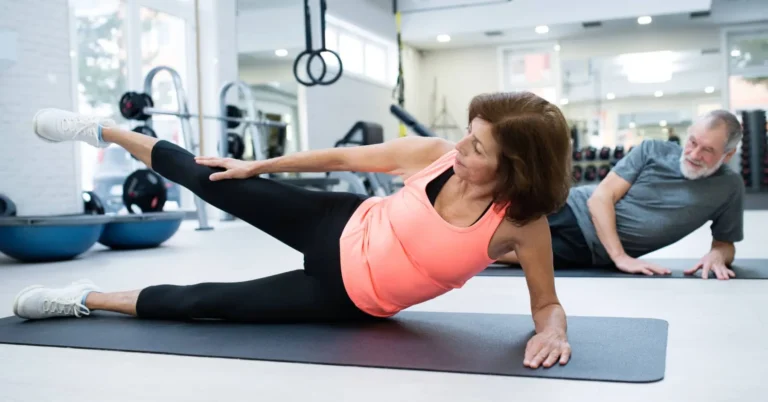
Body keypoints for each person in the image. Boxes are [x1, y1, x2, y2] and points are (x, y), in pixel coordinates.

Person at [13, 92, 574, 369]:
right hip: (334, 222)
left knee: (209, 304)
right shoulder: (432, 156)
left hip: (346, 299)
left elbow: (546, 304)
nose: (460, 147)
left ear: (516, 168)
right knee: (211, 177)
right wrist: (259, 167)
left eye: (477, 147)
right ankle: (103, 130)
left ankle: (84, 300)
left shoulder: (521, 227)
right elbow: (345, 158)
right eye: (467, 134)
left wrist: (554, 332)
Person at [497, 110, 745, 280]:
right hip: (573, 209)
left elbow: (725, 244)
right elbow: (600, 198)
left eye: (708, 150)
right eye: (692, 142)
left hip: (591, 251)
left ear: (728, 155)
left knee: (496, 252)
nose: (694, 153)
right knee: (492, 222)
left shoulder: (729, 188)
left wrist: (717, 254)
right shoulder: (653, 150)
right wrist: (621, 257)